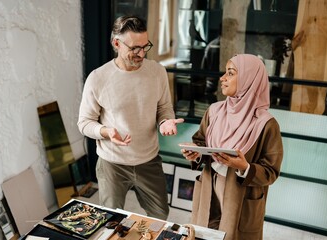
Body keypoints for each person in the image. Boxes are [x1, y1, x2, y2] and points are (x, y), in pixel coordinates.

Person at [77, 15, 184, 220]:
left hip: (148, 160)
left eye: (145, 46)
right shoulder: (98, 78)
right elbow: (84, 123)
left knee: (160, 215)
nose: (141, 54)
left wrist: (165, 121)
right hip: (112, 163)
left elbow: (164, 108)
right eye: (135, 48)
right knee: (110, 219)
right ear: (116, 43)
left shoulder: (157, 72)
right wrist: (105, 131)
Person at [180, 54, 283, 239]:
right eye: (224, 73)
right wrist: (195, 152)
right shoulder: (214, 111)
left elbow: (271, 171)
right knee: (203, 233)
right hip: (208, 188)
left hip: (240, 198)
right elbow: (201, 141)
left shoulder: (267, 124)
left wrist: (244, 167)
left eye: (230, 73)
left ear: (248, 79)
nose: (222, 78)